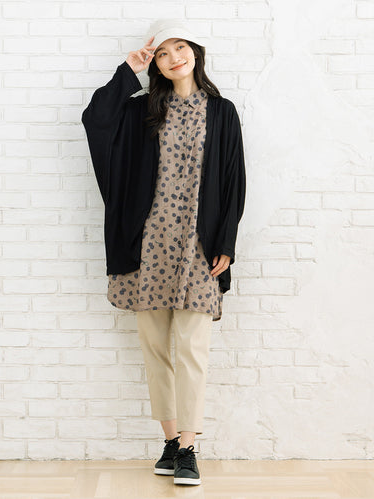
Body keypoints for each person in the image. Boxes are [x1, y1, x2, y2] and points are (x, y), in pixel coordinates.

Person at [81, 18, 246, 487]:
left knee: (192, 348)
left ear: (196, 50)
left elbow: (234, 179)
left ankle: (190, 447)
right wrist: (128, 70)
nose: (174, 57)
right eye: (162, 52)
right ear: (154, 62)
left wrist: (226, 243)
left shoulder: (222, 112)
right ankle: (171, 441)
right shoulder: (141, 110)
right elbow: (96, 120)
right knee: (156, 349)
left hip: (198, 246)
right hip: (148, 244)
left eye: (180, 47)